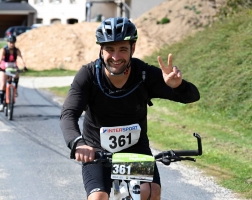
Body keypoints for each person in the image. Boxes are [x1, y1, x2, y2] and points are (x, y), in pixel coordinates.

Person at [60, 17, 200, 200]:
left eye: (123, 49)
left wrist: (177, 86)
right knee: (98, 197)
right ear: (101, 50)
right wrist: (78, 143)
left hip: (135, 151)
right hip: (97, 152)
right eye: (110, 49)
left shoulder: (144, 74)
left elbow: (191, 96)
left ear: (133, 49)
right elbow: (68, 114)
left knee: (150, 193)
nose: (116, 57)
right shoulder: (88, 75)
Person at [0, 35, 27, 112]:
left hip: (13, 68)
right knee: (2, 84)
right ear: (7, 42)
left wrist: (24, 66)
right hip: (4, 68)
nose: (11, 44)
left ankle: (15, 90)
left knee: (17, 75)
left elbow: (21, 58)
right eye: (10, 42)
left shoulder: (16, 50)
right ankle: (1, 104)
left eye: (13, 43)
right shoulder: (4, 49)